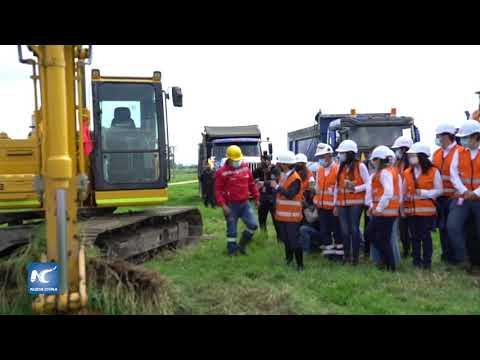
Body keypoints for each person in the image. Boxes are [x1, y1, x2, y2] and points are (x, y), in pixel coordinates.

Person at [215, 145, 260, 256]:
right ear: (229, 159)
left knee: (253, 225)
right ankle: (232, 252)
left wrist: (256, 197)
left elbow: (251, 184)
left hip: (245, 204)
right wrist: (223, 206)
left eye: (238, 160)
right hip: (230, 206)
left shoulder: (245, 167)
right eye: (235, 160)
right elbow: (218, 191)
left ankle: (242, 245)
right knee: (232, 231)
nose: (237, 162)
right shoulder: (221, 172)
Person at [403, 143, 443, 270]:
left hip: (426, 211)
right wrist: (403, 203)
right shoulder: (407, 172)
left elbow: (439, 190)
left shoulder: (433, 171)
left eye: (413, 155)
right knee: (414, 237)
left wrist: (424, 193)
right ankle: (416, 261)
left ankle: (427, 262)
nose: (410, 158)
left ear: (421, 156)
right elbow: (403, 191)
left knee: (425, 237)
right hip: (411, 210)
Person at [300, 143, 343, 258]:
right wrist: (316, 202)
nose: (321, 160)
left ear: (329, 155)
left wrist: (336, 206)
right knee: (325, 231)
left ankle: (338, 256)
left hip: (333, 208)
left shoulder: (337, 169)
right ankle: (329, 255)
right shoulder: (319, 170)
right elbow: (318, 188)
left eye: (322, 157)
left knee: (337, 232)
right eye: (319, 157)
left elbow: (339, 190)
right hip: (322, 207)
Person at [447, 120, 480, 270]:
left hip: (478, 198)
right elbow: (453, 174)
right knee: (453, 225)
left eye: (466, 137)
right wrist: (464, 191)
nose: (463, 140)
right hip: (463, 197)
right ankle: (463, 259)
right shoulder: (459, 152)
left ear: (476, 136)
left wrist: (476, 193)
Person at [333, 139, 369, 265]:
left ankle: (355, 258)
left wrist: (355, 188)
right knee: (344, 230)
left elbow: (368, 184)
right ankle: (346, 256)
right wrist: (335, 204)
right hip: (342, 204)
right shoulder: (340, 168)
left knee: (354, 229)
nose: (340, 155)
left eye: (343, 153)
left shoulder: (361, 166)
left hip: (356, 203)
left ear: (350, 153)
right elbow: (337, 187)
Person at [365, 146, 400, 271]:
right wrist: (373, 207)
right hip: (383, 212)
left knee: (382, 240)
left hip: (385, 213)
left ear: (379, 160)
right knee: (373, 235)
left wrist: (378, 208)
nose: (373, 162)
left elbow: (388, 193)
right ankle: (386, 263)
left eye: (374, 160)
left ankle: (390, 266)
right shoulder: (386, 171)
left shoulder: (385, 173)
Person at [431, 123, 461, 264]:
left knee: (453, 226)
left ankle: (457, 256)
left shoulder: (460, 152)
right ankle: (446, 255)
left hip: (455, 197)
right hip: (440, 197)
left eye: (440, 136)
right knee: (442, 227)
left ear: (448, 136)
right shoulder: (437, 153)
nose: (438, 139)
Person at [271, 151, 305, 271]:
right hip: (283, 216)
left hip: (292, 216)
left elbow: (290, 194)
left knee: (294, 241)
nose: (278, 165)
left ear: (285, 164)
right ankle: (289, 259)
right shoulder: (284, 176)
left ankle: (300, 265)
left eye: (280, 163)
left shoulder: (295, 178)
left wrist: (276, 187)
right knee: (286, 239)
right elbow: (280, 192)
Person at [391, 135, 414, 258]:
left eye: (399, 149)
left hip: (410, 200)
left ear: (405, 149)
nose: (397, 152)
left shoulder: (413, 164)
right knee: (402, 227)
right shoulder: (397, 163)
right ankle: (406, 249)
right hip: (399, 199)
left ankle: (412, 249)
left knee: (412, 227)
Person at [253, 153, 280, 239]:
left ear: (269, 160)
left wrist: (264, 183)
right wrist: (256, 182)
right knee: (262, 219)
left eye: (266, 160)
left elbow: (275, 182)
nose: (264, 162)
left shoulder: (275, 169)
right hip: (263, 197)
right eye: (262, 160)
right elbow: (251, 177)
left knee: (276, 220)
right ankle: (263, 237)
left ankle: (280, 239)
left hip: (273, 197)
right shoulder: (259, 169)